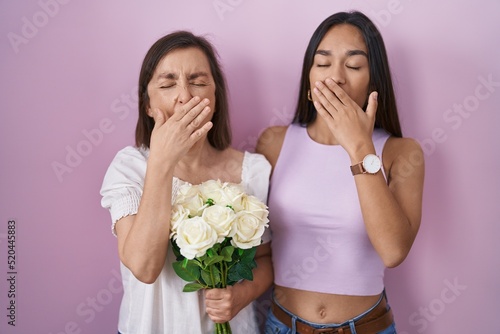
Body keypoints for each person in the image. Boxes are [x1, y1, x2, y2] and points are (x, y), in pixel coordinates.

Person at [257, 11, 424, 334]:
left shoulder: (402, 153)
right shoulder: (274, 142)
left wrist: (360, 146)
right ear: (309, 76)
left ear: (374, 80)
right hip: (282, 326)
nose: (336, 77)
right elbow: (259, 251)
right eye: (322, 64)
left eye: (353, 65)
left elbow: (393, 251)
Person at [100, 31, 273, 334]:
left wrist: (242, 294)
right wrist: (162, 163)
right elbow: (144, 267)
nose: (185, 95)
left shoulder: (255, 170)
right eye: (168, 84)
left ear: (215, 98)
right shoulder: (129, 167)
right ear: (149, 106)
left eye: (198, 82)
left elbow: (264, 258)